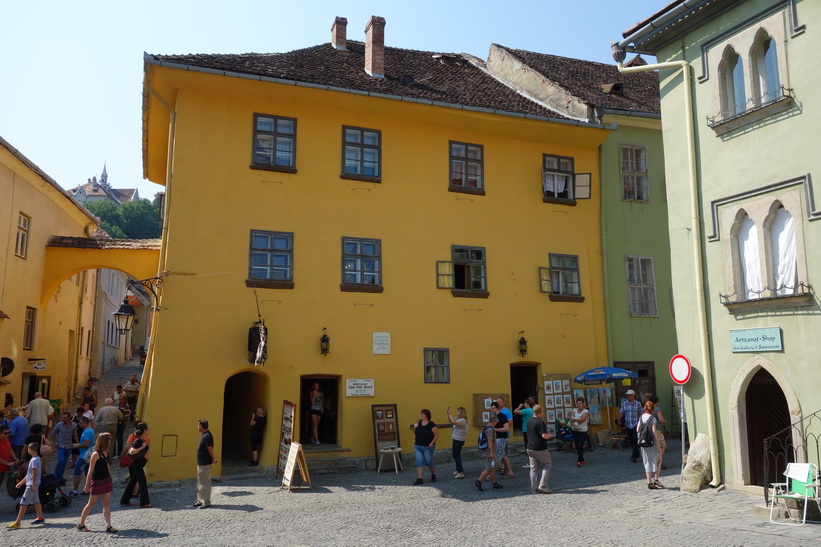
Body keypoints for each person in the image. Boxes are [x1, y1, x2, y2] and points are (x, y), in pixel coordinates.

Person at [77, 432, 117, 533]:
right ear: (104, 440)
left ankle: (108, 525)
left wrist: (110, 476)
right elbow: (90, 470)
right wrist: (87, 485)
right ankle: (81, 524)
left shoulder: (106, 452)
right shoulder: (95, 454)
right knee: (91, 503)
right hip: (97, 481)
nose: (110, 441)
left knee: (106, 503)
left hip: (106, 479)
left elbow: (107, 464)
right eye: (109, 439)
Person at [6, 442, 45, 529]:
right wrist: (21, 483)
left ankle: (17, 522)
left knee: (23, 503)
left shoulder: (34, 460)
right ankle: (40, 517)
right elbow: (30, 474)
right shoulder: (37, 459)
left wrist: (33, 485)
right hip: (34, 483)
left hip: (31, 485)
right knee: (36, 501)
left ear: (30, 449)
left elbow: (34, 473)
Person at [120, 422, 151, 508]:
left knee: (133, 482)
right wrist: (141, 447)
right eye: (148, 429)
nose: (149, 431)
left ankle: (124, 500)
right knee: (143, 483)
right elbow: (131, 451)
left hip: (139, 464)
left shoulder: (143, 440)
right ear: (144, 430)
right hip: (137, 464)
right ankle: (144, 502)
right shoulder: (138, 441)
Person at [526, 405, 553, 494]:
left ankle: (534, 488)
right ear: (540, 412)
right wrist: (550, 435)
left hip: (530, 447)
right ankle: (542, 485)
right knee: (547, 464)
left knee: (533, 468)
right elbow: (544, 436)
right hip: (539, 447)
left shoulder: (529, 421)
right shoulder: (540, 422)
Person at [475, 414, 503, 492]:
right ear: (494, 421)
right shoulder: (490, 430)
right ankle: (479, 480)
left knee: (492, 468)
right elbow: (490, 441)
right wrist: (492, 452)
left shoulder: (487, 427)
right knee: (489, 468)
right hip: (489, 452)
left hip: (488, 451)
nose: (497, 422)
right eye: (497, 421)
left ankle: (495, 483)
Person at [410, 409, 438, 485]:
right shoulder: (419, 423)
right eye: (421, 413)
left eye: (423, 414)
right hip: (418, 446)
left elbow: (436, 434)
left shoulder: (431, 424)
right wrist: (415, 427)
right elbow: (415, 433)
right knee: (419, 461)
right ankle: (419, 479)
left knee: (429, 461)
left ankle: (433, 474)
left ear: (427, 415)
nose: (421, 415)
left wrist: (432, 443)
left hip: (427, 446)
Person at [638, 401, 661, 489]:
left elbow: (637, 430)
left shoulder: (641, 417)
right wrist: (658, 444)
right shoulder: (652, 418)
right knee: (658, 458)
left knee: (646, 461)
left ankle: (649, 482)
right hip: (651, 442)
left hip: (643, 442)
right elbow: (654, 431)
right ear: (652, 409)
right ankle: (656, 479)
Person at [194, 419, 216, 508]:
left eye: (198, 425)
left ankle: (206, 502)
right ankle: (200, 500)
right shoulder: (204, 435)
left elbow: (209, 448)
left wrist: (214, 458)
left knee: (205, 483)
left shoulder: (207, 436)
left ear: (201, 426)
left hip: (205, 463)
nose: (197, 426)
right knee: (200, 482)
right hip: (201, 462)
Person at [70, 417, 95, 497]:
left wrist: (77, 445)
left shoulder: (86, 432)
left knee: (76, 473)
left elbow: (86, 443)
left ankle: (75, 491)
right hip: (88, 455)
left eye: (80, 423)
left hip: (84, 455)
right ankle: (88, 489)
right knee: (88, 472)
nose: (79, 425)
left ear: (84, 423)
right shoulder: (90, 430)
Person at [490, 401, 514, 478]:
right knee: (503, 456)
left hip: (502, 438)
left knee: (497, 457)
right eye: (491, 408)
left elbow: (506, 428)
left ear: (497, 408)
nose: (491, 409)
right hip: (496, 438)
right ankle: (510, 472)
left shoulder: (502, 416)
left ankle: (491, 474)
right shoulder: (493, 417)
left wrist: (495, 429)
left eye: (493, 408)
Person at [618, 389, 643, 463]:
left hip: (636, 424)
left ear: (633, 395)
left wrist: (641, 422)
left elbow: (641, 413)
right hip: (628, 425)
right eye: (627, 395)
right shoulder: (624, 404)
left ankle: (634, 456)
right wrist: (618, 420)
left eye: (629, 395)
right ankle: (637, 453)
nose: (628, 396)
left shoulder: (638, 403)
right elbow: (621, 412)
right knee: (632, 440)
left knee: (635, 440)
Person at [50, 412, 75, 478]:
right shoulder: (59, 425)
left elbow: (75, 435)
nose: (63, 419)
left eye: (65, 418)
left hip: (69, 446)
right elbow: (52, 434)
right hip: (61, 445)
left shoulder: (73, 426)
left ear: (69, 418)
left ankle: (60, 475)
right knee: (60, 460)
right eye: (63, 417)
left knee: (65, 461)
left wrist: (77, 443)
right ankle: (55, 475)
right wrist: (55, 442)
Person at [446, 406, 468, 478]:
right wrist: (448, 414)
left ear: (461, 412)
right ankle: (458, 469)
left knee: (456, 455)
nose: (456, 412)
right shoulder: (458, 418)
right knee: (455, 455)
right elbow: (450, 421)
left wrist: (450, 414)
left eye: (458, 411)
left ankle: (461, 472)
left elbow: (453, 422)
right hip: (456, 439)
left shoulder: (463, 420)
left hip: (459, 440)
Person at [514, 397, 535, 468]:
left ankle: (530, 463)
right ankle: (534, 462)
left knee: (528, 446)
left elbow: (515, 411)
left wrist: (519, 406)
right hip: (532, 429)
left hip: (526, 429)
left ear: (527, 404)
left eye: (525, 403)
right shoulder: (532, 410)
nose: (524, 404)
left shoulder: (527, 410)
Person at [496, 396, 514, 475]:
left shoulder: (506, 411)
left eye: (499, 402)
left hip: (503, 434)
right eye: (497, 402)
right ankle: (503, 467)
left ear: (503, 403)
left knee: (503, 452)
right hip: (497, 435)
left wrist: (502, 426)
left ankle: (503, 467)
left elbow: (510, 422)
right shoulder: (495, 412)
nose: (498, 403)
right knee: (502, 453)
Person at [569, 397, 590, 467]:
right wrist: (574, 424)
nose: (579, 405)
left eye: (580, 403)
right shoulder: (574, 410)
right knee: (577, 445)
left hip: (583, 431)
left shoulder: (586, 411)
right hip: (575, 430)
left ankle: (579, 460)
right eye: (578, 403)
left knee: (580, 445)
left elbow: (583, 419)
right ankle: (581, 459)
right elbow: (570, 418)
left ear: (583, 403)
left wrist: (574, 419)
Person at [650, 394, 667, 473]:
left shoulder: (647, 409)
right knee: (662, 446)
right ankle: (659, 462)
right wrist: (664, 421)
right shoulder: (657, 409)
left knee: (653, 447)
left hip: (649, 430)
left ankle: (652, 463)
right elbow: (661, 420)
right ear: (657, 402)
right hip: (657, 430)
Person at [0, 424, 20, 491]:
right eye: (5, 433)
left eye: (9, 433)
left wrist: (15, 458)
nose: (8, 434)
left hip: (3, 468)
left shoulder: (6, 440)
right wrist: (8, 464)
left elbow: (10, 449)